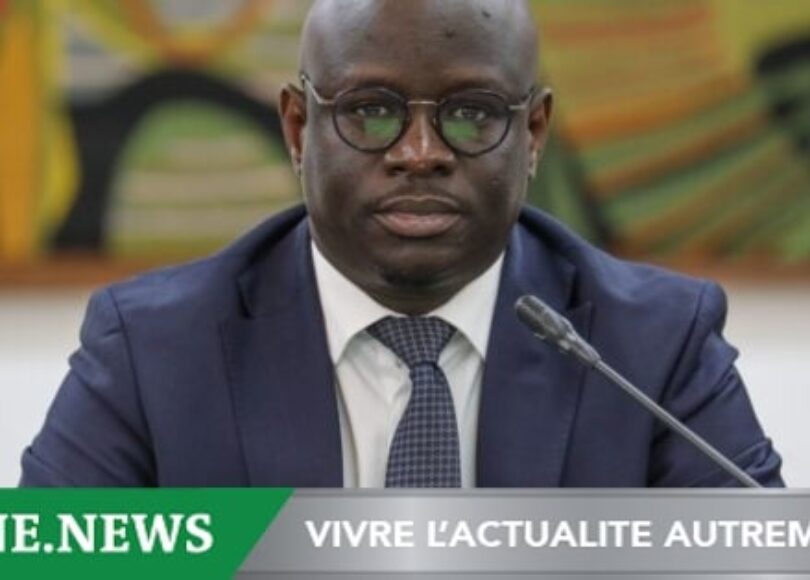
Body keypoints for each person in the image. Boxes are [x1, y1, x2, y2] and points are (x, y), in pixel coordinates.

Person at [20, 0, 782, 487]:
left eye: (473, 114)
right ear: (298, 128)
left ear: (533, 133)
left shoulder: (650, 347)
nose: (420, 153)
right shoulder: (155, 349)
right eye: (371, 110)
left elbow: (751, 563)